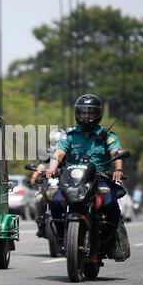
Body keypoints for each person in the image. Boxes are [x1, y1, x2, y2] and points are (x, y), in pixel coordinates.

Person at [46, 94, 125, 229]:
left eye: (90, 113)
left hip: (100, 180)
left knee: (110, 204)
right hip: (72, 180)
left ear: (98, 114)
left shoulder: (107, 136)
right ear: (78, 114)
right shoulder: (70, 135)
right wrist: (52, 168)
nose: (86, 116)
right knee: (56, 202)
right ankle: (61, 239)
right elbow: (58, 153)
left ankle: (111, 241)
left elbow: (116, 153)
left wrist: (118, 169)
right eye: (83, 112)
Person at [30, 129, 65, 238]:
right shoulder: (46, 152)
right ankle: (40, 224)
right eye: (53, 142)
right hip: (50, 183)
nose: (56, 145)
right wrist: (34, 176)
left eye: (58, 142)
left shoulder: (69, 152)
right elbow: (41, 165)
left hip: (64, 183)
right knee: (38, 198)